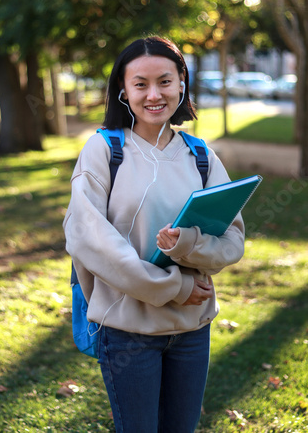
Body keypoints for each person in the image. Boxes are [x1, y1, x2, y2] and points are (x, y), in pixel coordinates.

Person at [63, 36, 245, 433]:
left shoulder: (200, 156)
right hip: (128, 332)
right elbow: (90, 241)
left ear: (182, 82)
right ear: (123, 91)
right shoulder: (103, 151)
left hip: (192, 330)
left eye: (164, 81)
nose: (154, 94)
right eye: (140, 84)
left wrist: (189, 245)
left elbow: (232, 241)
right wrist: (175, 286)